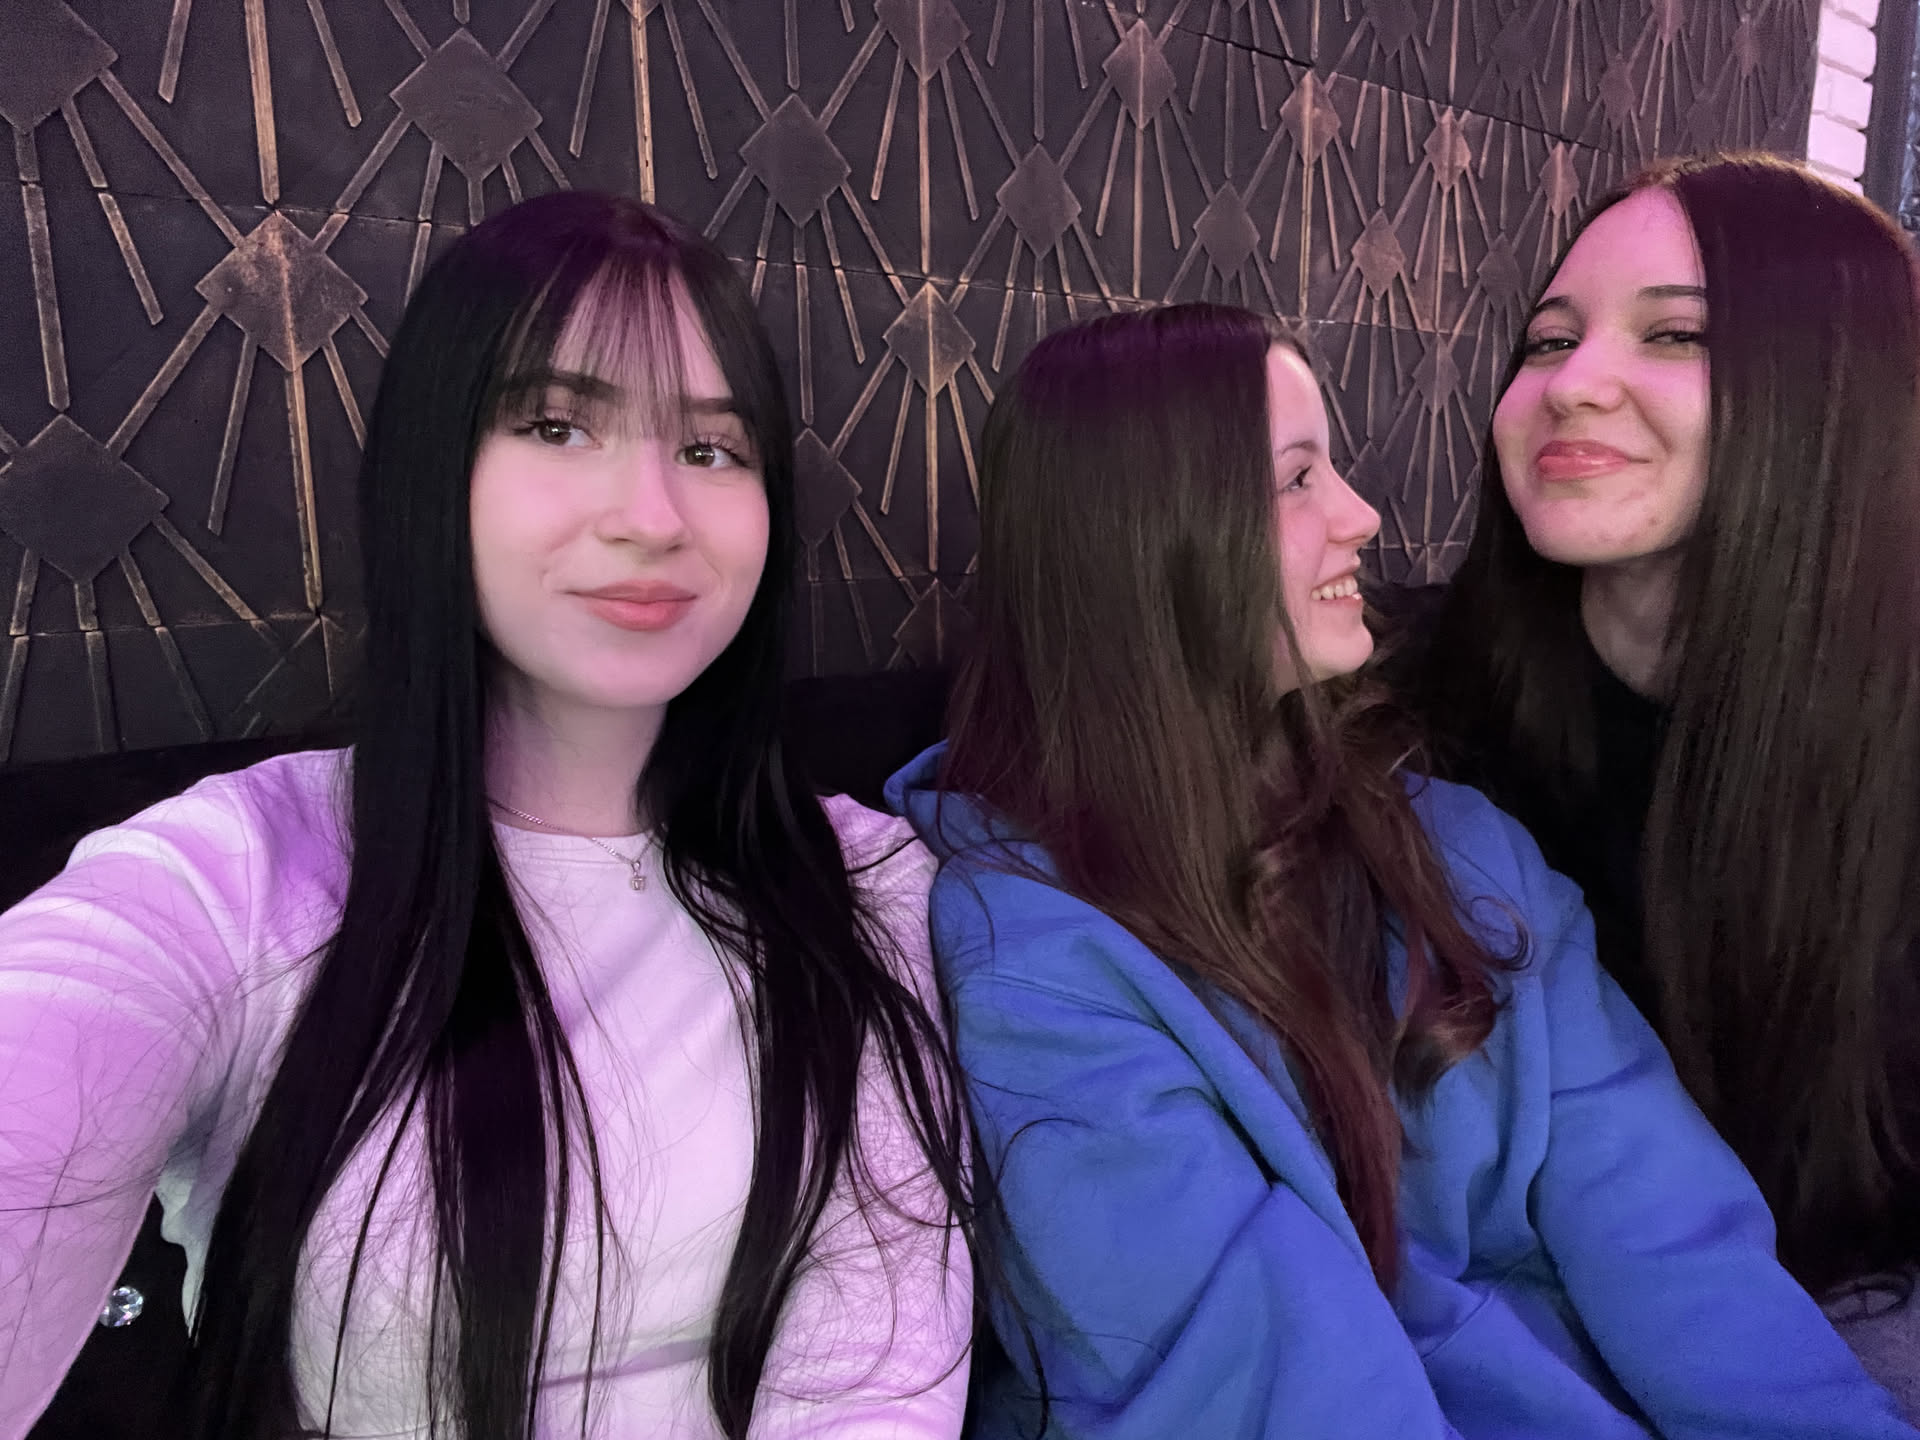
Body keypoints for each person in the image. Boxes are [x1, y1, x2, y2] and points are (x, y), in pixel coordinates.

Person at [0, 192, 972, 1440]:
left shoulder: (864, 882)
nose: (652, 516)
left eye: (712, 449)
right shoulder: (237, 877)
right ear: (433, 471)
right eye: (557, 425)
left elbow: (875, 1375)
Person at [886, 301, 1916, 1438]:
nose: (1362, 515)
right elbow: (1251, 1377)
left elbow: (1663, 1220)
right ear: (1139, 539)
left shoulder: (1454, 842)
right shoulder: (1021, 949)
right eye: (1296, 480)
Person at [1394, 153, 1920, 1372]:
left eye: (1675, 335)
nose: (1572, 385)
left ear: (1841, 392)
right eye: (1546, 341)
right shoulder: (1397, 709)